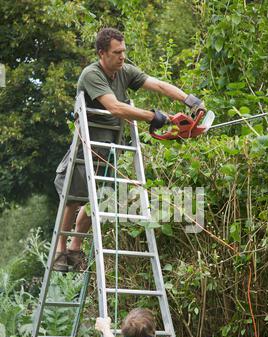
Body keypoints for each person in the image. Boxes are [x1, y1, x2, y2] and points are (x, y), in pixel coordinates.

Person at [54, 27, 205, 272]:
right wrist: (153, 117)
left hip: (113, 145)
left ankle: (75, 246)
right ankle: (61, 251)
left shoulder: (125, 71)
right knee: (74, 198)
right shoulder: (91, 74)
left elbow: (158, 85)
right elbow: (115, 107)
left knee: (97, 201)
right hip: (89, 145)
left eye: (124, 51)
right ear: (102, 53)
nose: (122, 57)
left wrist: (189, 100)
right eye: (117, 52)